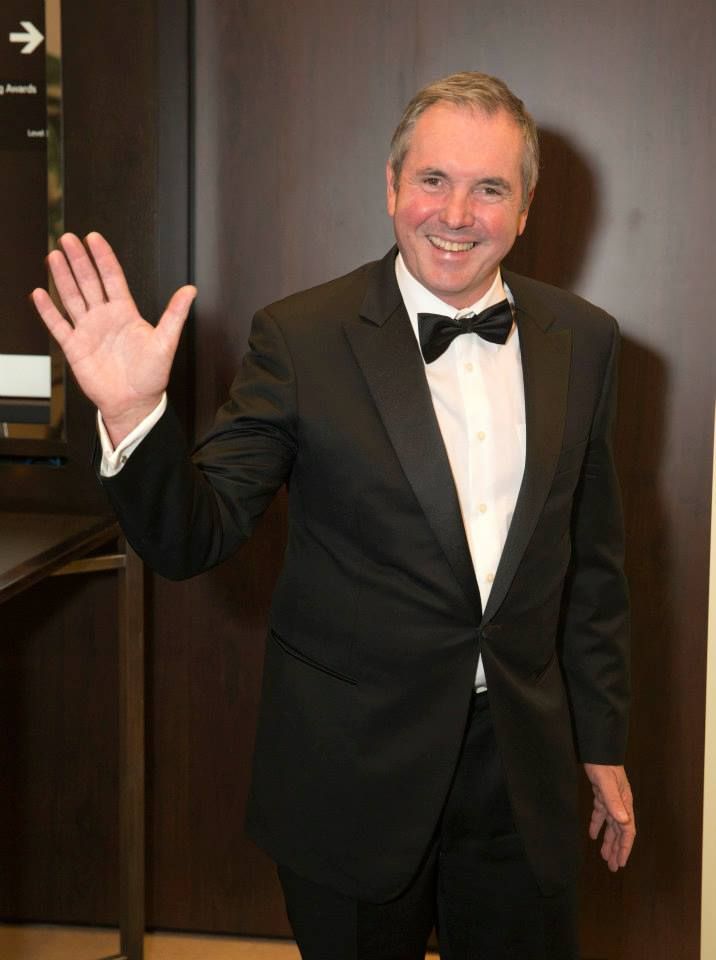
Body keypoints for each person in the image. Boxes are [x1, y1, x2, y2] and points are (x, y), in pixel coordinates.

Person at [32, 71, 635, 960]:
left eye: (489, 188)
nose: (456, 213)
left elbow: (593, 565)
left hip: (518, 773)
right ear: (391, 186)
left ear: (525, 206)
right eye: (432, 180)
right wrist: (132, 418)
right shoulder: (301, 337)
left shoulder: (584, 338)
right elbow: (193, 536)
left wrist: (603, 742)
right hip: (351, 775)